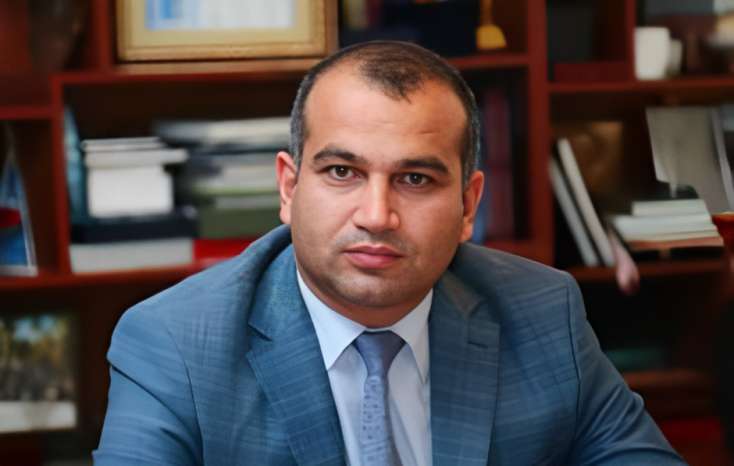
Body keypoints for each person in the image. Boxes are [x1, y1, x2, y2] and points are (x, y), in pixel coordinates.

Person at [93, 41, 685, 465]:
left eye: (415, 179)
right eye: (342, 172)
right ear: (289, 189)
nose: (376, 215)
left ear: (468, 205)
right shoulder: (174, 345)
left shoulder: (543, 311)